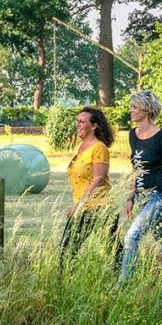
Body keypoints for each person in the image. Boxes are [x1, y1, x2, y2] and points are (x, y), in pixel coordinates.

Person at [120, 90, 162, 284]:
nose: (130, 110)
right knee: (161, 236)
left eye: (134, 107)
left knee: (132, 236)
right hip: (143, 196)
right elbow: (136, 167)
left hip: (161, 194)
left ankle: (123, 285)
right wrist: (131, 197)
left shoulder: (161, 137)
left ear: (146, 110)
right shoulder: (133, 134)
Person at [61, 107, 120, 271]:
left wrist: (79, 205)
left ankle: (127, 282)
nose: (77, 124)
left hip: (98, 208)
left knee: (114, 252)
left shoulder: (99, 148)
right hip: (83, 207)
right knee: (67, 250)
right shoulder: (81, 147)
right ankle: (65, 285)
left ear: (94, 126)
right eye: (77, 121)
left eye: (82, 121)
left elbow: (98, 178)